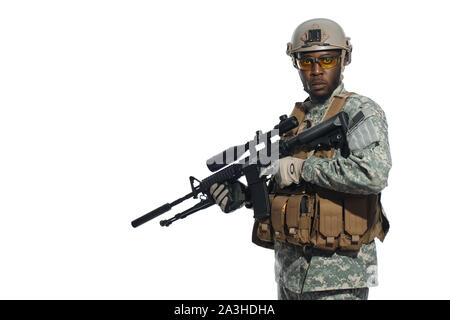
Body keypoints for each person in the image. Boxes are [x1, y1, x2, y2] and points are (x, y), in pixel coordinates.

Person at [209, 18, 391, 300]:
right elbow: (291, 188)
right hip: (289, 274)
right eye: (306, 62)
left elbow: (374, 173)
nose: (316, 71)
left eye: (327, 60)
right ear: (296, 64)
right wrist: (247, 196)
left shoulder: (360, 111)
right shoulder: (297, 118)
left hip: (339, 280)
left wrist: (302, 167)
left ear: (345, 59)